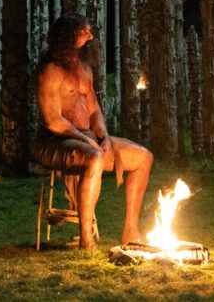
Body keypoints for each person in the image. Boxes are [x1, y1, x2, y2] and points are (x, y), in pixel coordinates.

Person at [34, 13, 154, 249]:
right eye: (84, 31)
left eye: (90, 31)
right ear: (68, 35)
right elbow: (52, 120)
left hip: (87, 139)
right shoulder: (50, 70)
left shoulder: (85, 69)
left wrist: (104, 138)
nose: (91, 36)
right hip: (55, 141)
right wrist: (85, 140)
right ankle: (86, 240)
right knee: (95, 157)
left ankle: (131, 232)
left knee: (144, 158)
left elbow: (94, 110)